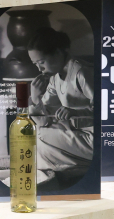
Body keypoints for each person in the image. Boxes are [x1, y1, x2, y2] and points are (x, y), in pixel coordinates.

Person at [26, 26, 94, 182]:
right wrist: (35, 97)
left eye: (41, 62)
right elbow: (43, 121)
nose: (39, 68)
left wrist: (76, 112)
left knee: (41, 137)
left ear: (57, 53)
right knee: (37, 135)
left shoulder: (82, 72)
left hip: (94, 136)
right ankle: (54, 172)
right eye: (35, 63)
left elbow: (106, 111)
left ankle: (53, 174)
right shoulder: (55, 78)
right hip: (77, 133)